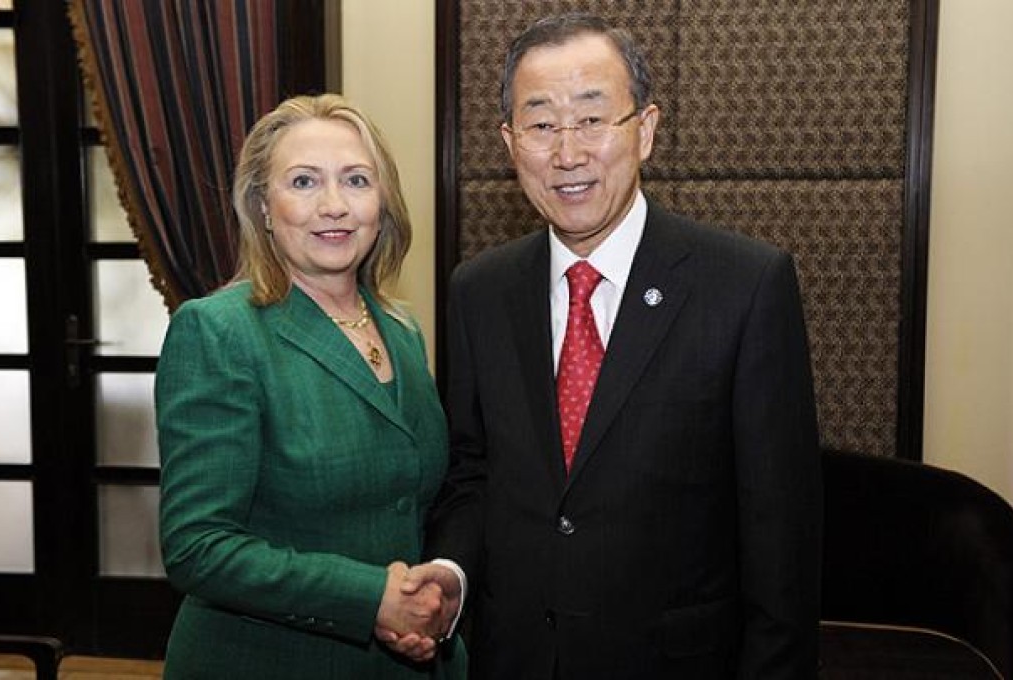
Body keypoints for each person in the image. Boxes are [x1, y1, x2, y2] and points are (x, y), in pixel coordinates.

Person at [396, 12, 823, 679]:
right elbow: (473, 473)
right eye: (540, 124)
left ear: (645, 129)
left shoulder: (745, 285)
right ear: (511, 143)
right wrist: (451, 571)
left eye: (593, 119)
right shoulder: (479, 290)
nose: (567, 153)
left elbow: (782, 538)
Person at [155, 93, 465, 679]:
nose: (333, 206)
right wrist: (370, 597)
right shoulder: (219, 331)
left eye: (356, 180)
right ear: (264, 207)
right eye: (302, 181)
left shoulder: (402, 330)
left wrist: (429, 596)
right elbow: (197, 546)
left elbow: (413, 505)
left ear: (383, 202)